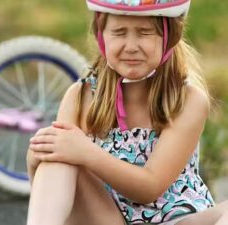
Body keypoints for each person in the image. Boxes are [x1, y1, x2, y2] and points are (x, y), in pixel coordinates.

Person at [26, 0, 228, 224]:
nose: (131, 46)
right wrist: (41, 152)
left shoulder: (188, 100)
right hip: (108, 218)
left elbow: (149, 187)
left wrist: (85, 151)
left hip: (178, 219)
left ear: (170, 36)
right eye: (119, 32)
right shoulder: (80, 96)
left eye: (144, 32)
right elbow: (56, 174)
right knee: (56, 152)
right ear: (101, 36)